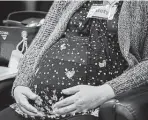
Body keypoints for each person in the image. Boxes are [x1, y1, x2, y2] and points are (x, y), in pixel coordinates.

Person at [0, 0, 148, 120]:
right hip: (34, 105)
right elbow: (40, 41)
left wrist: (106, 91)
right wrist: (20, 85)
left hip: (90, 109)